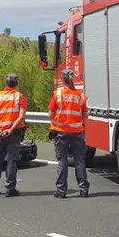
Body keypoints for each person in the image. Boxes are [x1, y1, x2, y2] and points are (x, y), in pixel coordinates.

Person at [48, 69, 90, 198]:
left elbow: (50, 114)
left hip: (61, 132)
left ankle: (61, 190)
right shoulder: (80, 96)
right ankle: (83, 189)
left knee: (62, 160)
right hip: (77, 132)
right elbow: (85, 115)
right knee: (79, 161)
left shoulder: (57, 94)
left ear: (62, 80)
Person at [0, 73, 27, 197]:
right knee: (12, 159)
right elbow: (21, 116)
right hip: (13, 133)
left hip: (0, 133)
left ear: (6, 83)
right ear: (16, 83)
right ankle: (10, 188)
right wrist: (11, 129)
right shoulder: (19, 97)